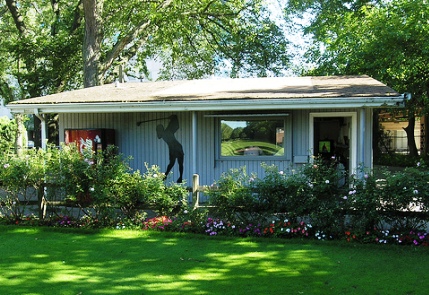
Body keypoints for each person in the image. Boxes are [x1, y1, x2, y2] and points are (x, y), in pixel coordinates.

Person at [156, 115, 184, 183]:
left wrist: (174, 118)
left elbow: (175, 126)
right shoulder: (163, 134)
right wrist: (173, 119)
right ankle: (166, 175)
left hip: (177, 147)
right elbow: (174, 126)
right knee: (172, 163)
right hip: (172, 148)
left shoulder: (167, 132)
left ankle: (179, 177)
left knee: (178, 163)